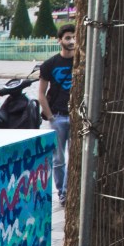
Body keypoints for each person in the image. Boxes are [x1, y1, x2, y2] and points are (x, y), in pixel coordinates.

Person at [39, 24, 76, 205]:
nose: (71, 41)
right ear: (59, 40)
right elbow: (41, 93)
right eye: (68, 38)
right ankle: (62, 191)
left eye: (74, 37)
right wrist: (51, 116)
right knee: (58, 158)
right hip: (59, 116)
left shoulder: (81, 62)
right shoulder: (50, 64)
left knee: (75, 156)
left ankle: (70, 190)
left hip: (76, 116)